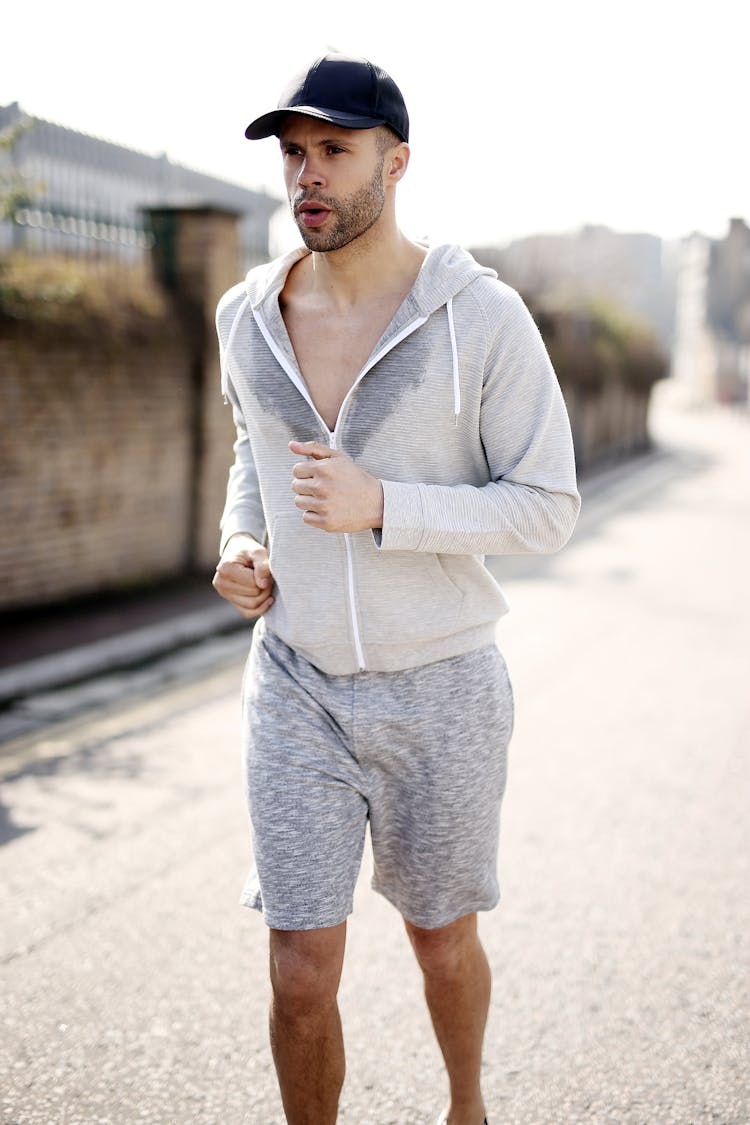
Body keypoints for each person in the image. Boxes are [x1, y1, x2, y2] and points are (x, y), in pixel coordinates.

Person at [212, 52, 580, 1125]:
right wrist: (243, 540)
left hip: (442, 686)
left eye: (334, 150)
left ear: (397, 160)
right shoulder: (250, 316)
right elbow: (254, 449)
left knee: (441, 939)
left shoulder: (482, 319)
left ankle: (465, 1104)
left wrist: (386, 504)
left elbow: (547, 506)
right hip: (297, 681)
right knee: (298, 972)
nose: (307, 176)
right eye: (294, 154)